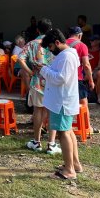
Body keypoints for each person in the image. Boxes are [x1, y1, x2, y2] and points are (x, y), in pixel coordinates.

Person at [40, 29, 82, 180]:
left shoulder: (66, 57)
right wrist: (46, 69)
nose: (51, 51)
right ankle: (74, 164)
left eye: (51, 47)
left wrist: (44, 70)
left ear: (57, 43)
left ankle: (69, 170)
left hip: (62, 101)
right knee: (68, 131)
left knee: (63, 133)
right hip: (63, 100)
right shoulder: (68, 55)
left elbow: (60, 78)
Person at [18, 18, 61, 155]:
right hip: (52, 80)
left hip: (37, 81)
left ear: (38, 30)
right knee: (51, 111)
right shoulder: (54, 43)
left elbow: (20, 58)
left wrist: (30, 71)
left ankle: (36, 142)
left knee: (38, 110)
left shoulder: (32, 44)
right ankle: (51, 144)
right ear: (51, 29)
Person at [88, 35, 100, 105]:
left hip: (95, 72)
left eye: (93, 40)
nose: (91, 41)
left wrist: (91, 73)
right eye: (90, 40)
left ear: (98, 41)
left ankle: (98, 97)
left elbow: (99, 66)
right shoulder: (87, 49)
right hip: (86, 71)